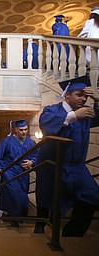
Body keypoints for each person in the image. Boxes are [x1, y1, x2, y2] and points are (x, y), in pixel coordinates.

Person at [35, 75, 99, 236]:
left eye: (86, 96)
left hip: (76, 168)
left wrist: (98, 100)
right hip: (52, 165)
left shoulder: (86, 114)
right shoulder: (52, 110)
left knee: (91, 195)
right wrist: (74, 116)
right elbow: (47, 124)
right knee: (47, 196)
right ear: (67, 94)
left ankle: (72, 232)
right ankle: (40, 224)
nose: (83, 99)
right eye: (79, 94)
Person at [0, 119, 38, 226]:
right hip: (9, 172)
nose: (24, 132)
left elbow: (36, 155)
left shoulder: (31, 143)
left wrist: (32, 162)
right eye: (21, 130)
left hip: (23, 173)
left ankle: (16, 218)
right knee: (15, 195)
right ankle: (15, 218)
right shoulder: (6, 142)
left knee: (23, 196)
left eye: (26, 129)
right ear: (16, 130)